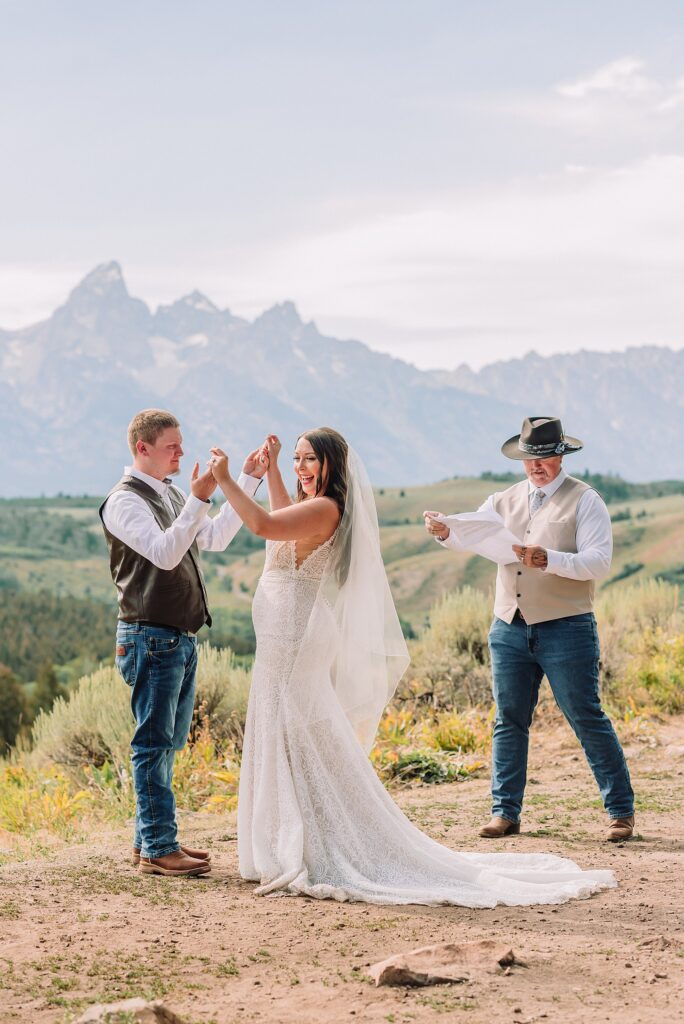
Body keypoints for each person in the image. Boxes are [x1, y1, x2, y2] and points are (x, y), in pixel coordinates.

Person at [207, 426, 616, 907]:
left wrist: (227, 480)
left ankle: (618, 809)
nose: (302, 468)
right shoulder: (501, 498)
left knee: (302, 729)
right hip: (288, 637)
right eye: (297, 459)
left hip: (302, 638)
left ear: (332, 465)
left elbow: (262, 525)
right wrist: (273, 469)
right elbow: (280, 519)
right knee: (288, 732)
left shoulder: (326, 507)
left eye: (309, 460)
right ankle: (294, 836)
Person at [425, 416, 635, 843]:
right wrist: (446, 532)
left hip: (567, 626)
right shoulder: (502, 499)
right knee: (508, 720)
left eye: (544, 457)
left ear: (561, 455)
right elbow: (471, 535)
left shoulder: (586, 500)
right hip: (508, 626)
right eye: (529, 458)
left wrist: (550, 559)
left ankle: (620, 812)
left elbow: (598, 562)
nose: (536, 466)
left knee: (585, 716)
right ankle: (504, 813)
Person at [100, 408, 266, 877]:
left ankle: (149, 840)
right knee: (152, 744)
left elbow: (212, 539)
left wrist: (247, 481)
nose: (181, 452)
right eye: (172, 445)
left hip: (175, 637)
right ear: (143, 448)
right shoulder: (123, 502)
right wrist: (196, 499)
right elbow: (166, 555)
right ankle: (158, 846)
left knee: (167, 742)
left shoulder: (171, 494)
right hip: (148, 635)